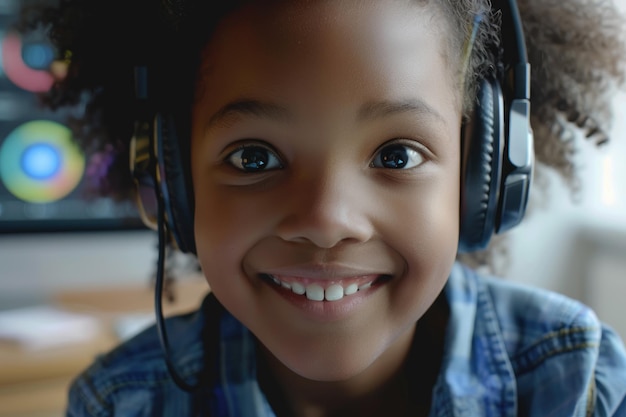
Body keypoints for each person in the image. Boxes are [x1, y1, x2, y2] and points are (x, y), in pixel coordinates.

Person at [16, 0, 626, 415]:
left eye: (397, 156)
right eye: (254, 158)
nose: (326, 220)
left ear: (482, 179)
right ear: (170, 180)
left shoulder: (578, 382)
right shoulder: (122, 402)